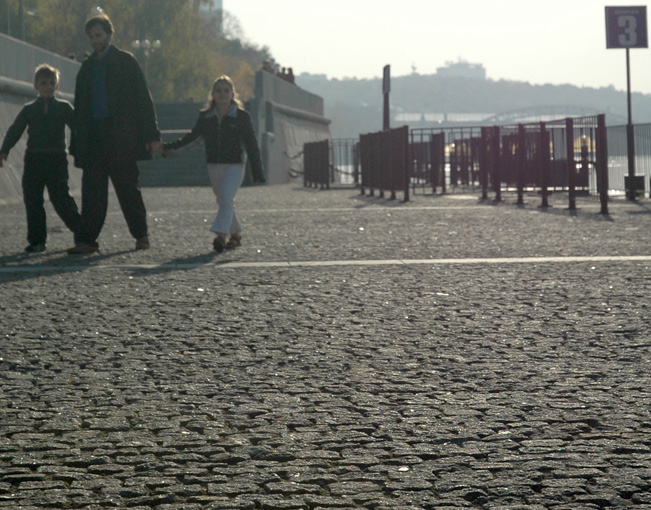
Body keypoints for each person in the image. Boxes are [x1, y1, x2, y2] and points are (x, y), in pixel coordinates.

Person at [67, 13, 161, 254]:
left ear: (109, 34)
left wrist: (151, 134)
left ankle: (141, 235)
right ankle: (87, 240)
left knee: (128, 189)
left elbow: (143, 99)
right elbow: (80, 110)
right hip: (94, 136)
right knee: (92, 192)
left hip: (121, 136)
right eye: (91, 37)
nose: (95, 40)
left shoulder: (126, 62)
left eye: (98, 35)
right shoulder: (86, 68)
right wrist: (76, 141)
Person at [163, 75, 265, 252]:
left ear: (232, 94)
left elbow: (251, 145)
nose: (222, 94)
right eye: (218, 90)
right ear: (212, 94)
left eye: (226, 90)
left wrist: (257, 172)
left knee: (225, 198)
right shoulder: (205, 117)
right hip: (214, 165)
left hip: (235, 164)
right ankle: (236, 235)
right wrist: (170, 147)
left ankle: (220, 237)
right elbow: (192, 137)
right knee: (224, 201)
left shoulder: (242, 117)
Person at [0, 64, 80, 253]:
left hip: (57, 159)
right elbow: (15, 130)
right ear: (36, 85)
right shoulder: (29, 109)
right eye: (44, 83)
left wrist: (81, 147)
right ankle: (37, 241)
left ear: (57, 86)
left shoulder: (64, 107)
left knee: (61, 198)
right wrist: (4, 150)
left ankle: (82, 233)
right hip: (34, 159)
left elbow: (78, 127)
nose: (48, 86)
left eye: (52, 83)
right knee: (33, 200)